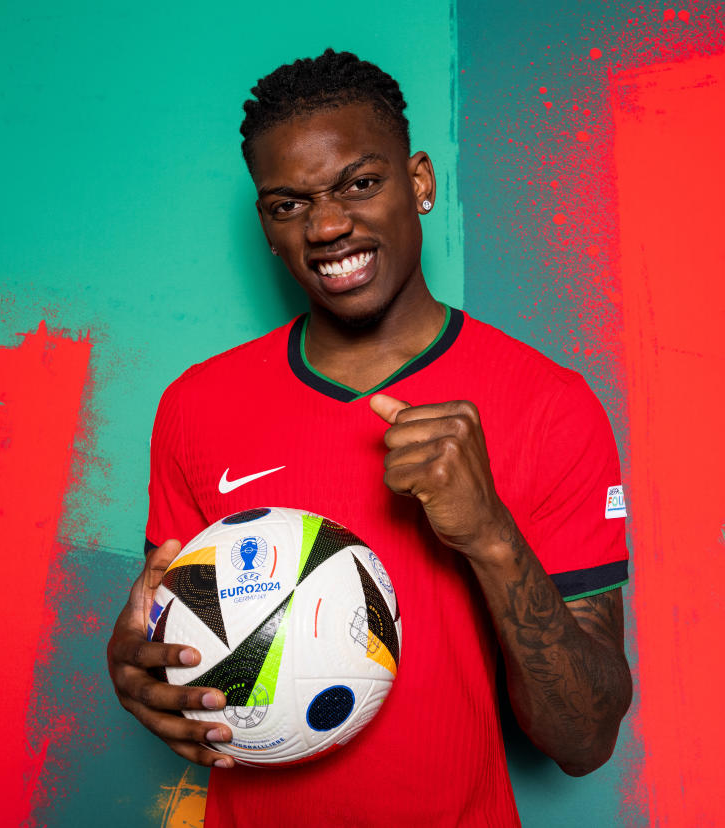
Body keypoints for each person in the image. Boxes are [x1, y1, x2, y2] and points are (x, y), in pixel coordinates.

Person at [106, 49, 632, 826]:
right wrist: (132, 666)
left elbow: (584, 739)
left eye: (359, 183)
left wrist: (488, 535)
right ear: (267, 224)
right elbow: (167, 640)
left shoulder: (549, 405)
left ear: (419, 182)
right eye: (288, 204)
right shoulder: (197, 406)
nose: (326, 226)